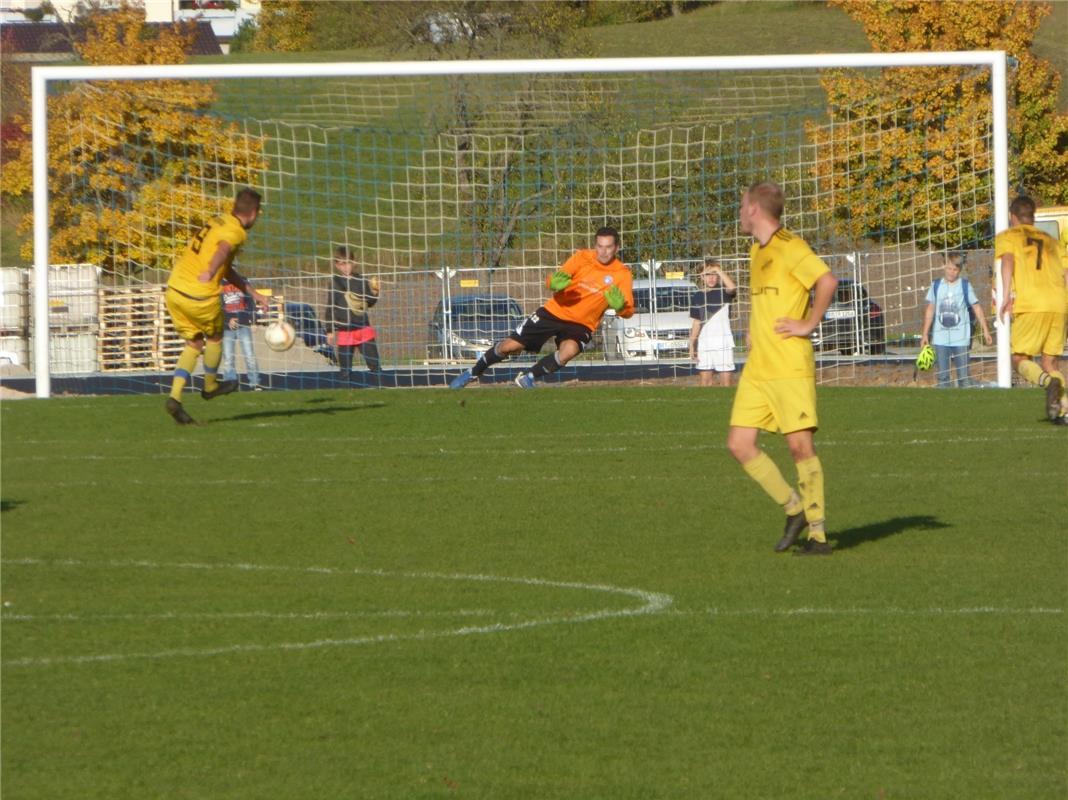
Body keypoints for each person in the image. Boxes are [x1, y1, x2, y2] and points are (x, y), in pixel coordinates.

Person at [725, 181, 839, 556]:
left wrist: (808, 324)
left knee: (799, 446)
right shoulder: (755, 249)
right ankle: (795, 509)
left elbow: (826, 280)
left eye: (742, 206)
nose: (740, 213)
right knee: (739, 444)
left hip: (789, 366)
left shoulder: (792, 246)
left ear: (755, 209)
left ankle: (818, 536)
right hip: (759, 367)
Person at [449, 226, 634, 389]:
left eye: (608, 247)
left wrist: (620, 307)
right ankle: (473, 372)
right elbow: (556, 279)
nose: (603, 252)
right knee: (509, 346)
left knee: (569, 351)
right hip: (554, 312)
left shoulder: (622, 274)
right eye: (600, 246)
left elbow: (628, 311)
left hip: (581, 324)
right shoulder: (581, 258)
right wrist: (553, 283)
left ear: (616, 248)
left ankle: (528, 377)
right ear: (595, 246)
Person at [164, 188, 267, 425]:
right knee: (215, 337)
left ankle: (174, 397)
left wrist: (253, 293)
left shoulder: (217, 220)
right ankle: (210, 386)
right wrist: (210, 271)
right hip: (199, 293)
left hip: (174, 290)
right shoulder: (237, 232)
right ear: (252, 213)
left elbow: (227, 269)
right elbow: (222, 251)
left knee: (193, 343)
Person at [995, 195, 1068, 424]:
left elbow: (1008, 260)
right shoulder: (1052, 240)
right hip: (1058, 304)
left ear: (1012, 216)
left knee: (1019, 358)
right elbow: (1066, 273)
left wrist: (1005, 295)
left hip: (1031, 304)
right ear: (1033, 217)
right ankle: (1063, 410)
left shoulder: (1008, 236)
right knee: (1050, 361)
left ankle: (1047, 383)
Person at [920, 252, 993, 388]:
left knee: (963, 379)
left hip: (960, 338)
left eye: (955, 269)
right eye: (949, 268)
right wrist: (925, 334)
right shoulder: (936, 285)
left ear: (959, 270)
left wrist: (986, 331)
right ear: (943, 266)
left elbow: (976, 307)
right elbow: (930, 309)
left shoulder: (965, 285)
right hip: (940, 338)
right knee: (943, 379)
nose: (951, 272)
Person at [325, 246, 382, 379]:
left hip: (362, 329)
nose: (346, 267)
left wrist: (375, 293)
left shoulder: (360, 280)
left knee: (375, 365)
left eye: (348, 263)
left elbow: (369, 303)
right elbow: (330, 306)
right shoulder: (335, 282)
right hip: (345, 331)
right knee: (345, 371)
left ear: (354, 263)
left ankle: (380, 387)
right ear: (337, 265)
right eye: (342, 264)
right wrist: (329, 330)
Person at [688, 259, 737, 387]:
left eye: (713, 274)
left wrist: (718, 270)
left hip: (723, 343)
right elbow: (697, 321)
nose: (711, 278)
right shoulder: (697, 296)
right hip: (705, 344)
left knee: (726, 383)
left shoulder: (724, 292)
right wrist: (692, 343)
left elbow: (732, 287)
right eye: (707, 274)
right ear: (701, 277)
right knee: (705, 382)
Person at [219, 277, 262, 391]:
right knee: (228, 357)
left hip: (243, 324)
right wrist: (228, 319)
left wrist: (254, 321)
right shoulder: (219, 284)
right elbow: (217, 306)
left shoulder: (242, 281)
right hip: (227, 327)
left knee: (249, 355)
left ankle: (255, 382)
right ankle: (230, 383)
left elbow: (250, 302)